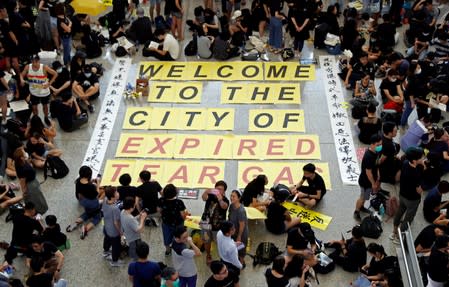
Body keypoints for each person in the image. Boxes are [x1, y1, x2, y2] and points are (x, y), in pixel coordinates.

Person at [390, 147, 425, 244]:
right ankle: (399, 238)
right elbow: (418, 190)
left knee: (399, 212)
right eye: (421, 158)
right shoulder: (416, 173)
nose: (423, 159)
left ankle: (394, 232)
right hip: (412, 199)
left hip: (402, 195)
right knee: (408, 218)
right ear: (414, 160)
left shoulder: (405, 163)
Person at [20, 54, 58, 125]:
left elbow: (55, 74)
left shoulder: (44, 67)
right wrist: (22, 80)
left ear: (39, 61)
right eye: (33, 62)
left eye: (36, 62)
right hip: (33, 91)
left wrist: (49, 84)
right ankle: (36, 119)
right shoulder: (28, 67)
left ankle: (46, 118)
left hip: (44, 92)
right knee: (34, 107)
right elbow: (21, 75)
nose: (34, 64)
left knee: (45, 106)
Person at [66, 165, 101, 240]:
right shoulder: (91, 186)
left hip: (83, 201)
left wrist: (91, 181)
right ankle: (85, 229)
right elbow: (97, 193)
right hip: (92, 203)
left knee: (87, 213)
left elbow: (84, 185)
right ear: (89, 175)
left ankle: (75, 223)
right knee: (97, 217)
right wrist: (98, 183)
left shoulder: (78, 181)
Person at [200, 180, 229, 264]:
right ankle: (208, 255)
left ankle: (222, 257)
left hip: (218, 226)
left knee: (219, 242)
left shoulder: (225, 200)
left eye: (221, 189)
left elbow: (224, 207)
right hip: (206, 224)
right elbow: (203, 198)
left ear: (224, 191)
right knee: (206, 241)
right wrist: (206, 191)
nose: (218, 191)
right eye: (217, 189)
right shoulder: (210, 196)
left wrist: (220, 199)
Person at [13, 147, 48, 215]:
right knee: (36, 198)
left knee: (37, 196)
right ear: (21, 157)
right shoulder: (23, 168)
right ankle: (40, 210)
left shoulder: (20, 163)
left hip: (32, 181)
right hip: (31, 185)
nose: (25, 153)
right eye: (23, 153)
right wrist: (24, 191)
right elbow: (22, 181)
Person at [354, 134, 382, 220]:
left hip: (370, 181)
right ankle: (357, 211)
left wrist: (378, 176)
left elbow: (376, 165)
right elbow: (368, 172)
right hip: (365, 181)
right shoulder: (369, 156)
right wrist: (373, 183)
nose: (380, 147)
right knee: (362, 197)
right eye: (378, 145)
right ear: (372, 144)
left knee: (365, 196)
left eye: (381, 144)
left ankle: (361, 207)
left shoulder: (376, 152)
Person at [158, 184, 187, 256]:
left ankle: (168, 251)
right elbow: (183, 214)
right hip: (178, 223)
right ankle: (179, 250)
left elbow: (158, 210)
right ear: (175, 193)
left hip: (166, 223)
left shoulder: (161, 200)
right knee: (179, 236)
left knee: (167, 237)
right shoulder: (179, 202)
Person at [102, 186, 123, 267]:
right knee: (116, 246)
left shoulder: (105, 199)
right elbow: (116, 223)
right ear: (113, 196)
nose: (118, 193)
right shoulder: (115, 209)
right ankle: (114, 261)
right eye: (116, 192)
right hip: (114, 232)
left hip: (106, 226)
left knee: (107, 239)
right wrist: (120, 233)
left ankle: (105, 252)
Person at [121, 196, 147, 260]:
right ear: (131, 208)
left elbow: (130, 222)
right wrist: (142, 219)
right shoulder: (130, 218)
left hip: (128, 236)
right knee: (136, 255)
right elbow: (139, 230)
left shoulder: (123, 212)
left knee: (133, 250)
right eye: (134, 205)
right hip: (134, 239)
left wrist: (139, 216)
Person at [228, 190, 248, 267]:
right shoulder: (231, 206)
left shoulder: (241, 211)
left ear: (239, 198)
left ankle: (241, 262)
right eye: (231, 196)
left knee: (241, 249)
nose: (231, 198)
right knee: (235, 247)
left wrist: (239, 236)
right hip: (233, 232)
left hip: (241, 233)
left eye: (233, 196)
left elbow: (242, 225)